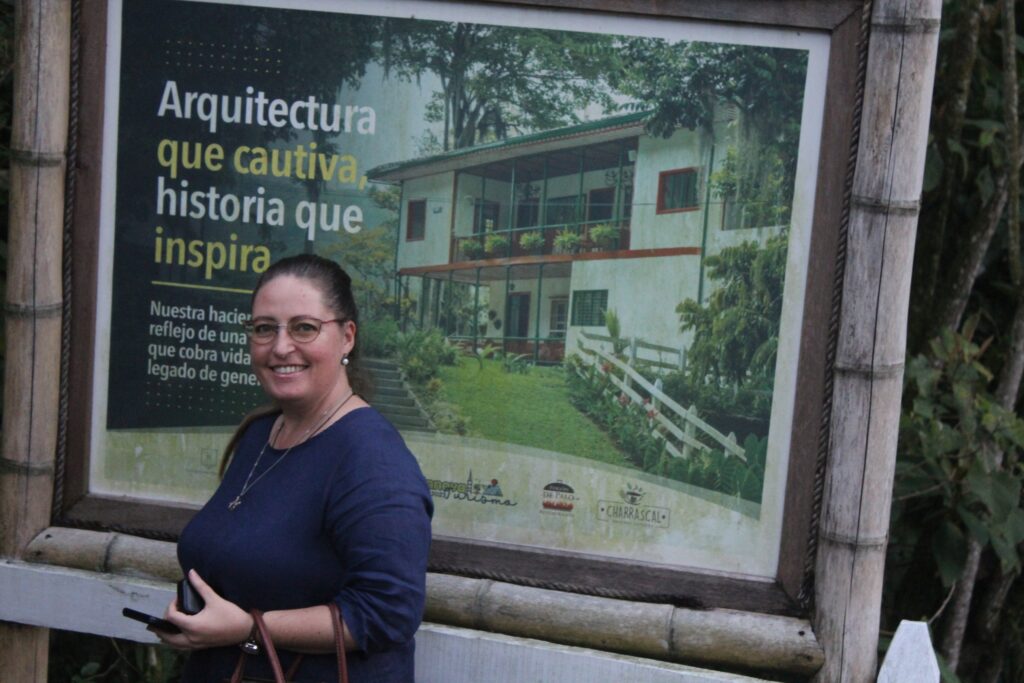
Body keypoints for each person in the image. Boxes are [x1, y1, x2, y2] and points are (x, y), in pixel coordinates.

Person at [155, 254, 433, 682]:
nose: (281, 346)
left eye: (304, 327)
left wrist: (250, 628)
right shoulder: (261, 433)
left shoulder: (371, 459)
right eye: (265, 328)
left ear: (347, 337)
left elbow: (388, 612)